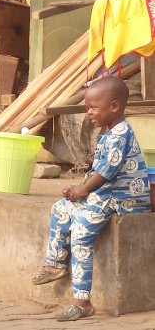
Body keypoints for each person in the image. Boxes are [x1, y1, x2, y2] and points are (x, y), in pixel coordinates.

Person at [32, 76, 151, 321]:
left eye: (93, 107)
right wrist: (78, 188)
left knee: (80, 234)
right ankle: (55, 264)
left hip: (123, 198)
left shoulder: (120, 134)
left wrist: (83, 189)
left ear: (114, 107)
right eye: (87, 107)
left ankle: (82, 301)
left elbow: (107, 172)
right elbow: (97, 172)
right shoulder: (108, 132)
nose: (88, 112)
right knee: (60, 208)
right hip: (107, 193)